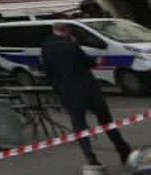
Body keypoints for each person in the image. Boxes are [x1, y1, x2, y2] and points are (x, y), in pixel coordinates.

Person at [41, 21, 132, 165]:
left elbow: (48, 71)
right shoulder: (70, 45)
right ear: (67, 31)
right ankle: (123, 150)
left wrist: (57, 89)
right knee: (105, 120)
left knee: (79, 124)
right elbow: (87, 63)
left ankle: (89, 156)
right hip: (88, 88)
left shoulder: (46, 47)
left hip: (67, 90)